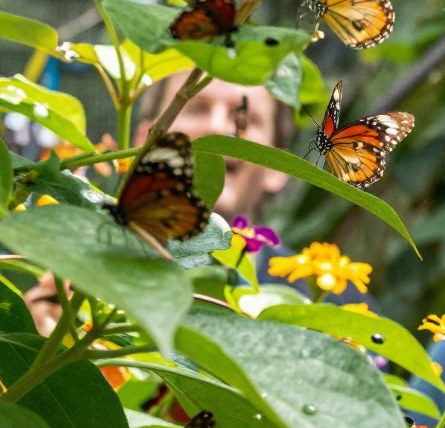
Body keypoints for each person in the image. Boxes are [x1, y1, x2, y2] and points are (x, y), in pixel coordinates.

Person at [27, 75, 292, 333]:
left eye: (243, 118)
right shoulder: (80, 274)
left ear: (279, 166)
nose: (216, 128)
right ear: (146, 141)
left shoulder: (319, 300)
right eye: (196, 108)